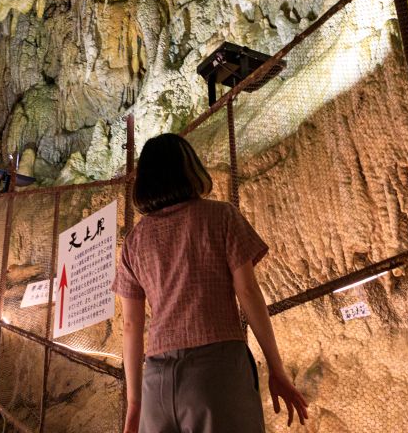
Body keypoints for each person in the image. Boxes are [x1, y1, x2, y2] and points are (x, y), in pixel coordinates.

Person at [113, 133, 309, 433]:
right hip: (217, 373)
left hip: (157, 383)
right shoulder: (221, 217)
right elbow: (247, 291)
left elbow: (131, 325)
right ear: (190, 168)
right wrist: (276, 368)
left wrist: (135, 404)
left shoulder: (134, 242)